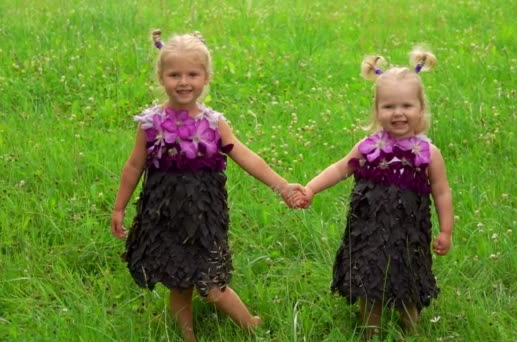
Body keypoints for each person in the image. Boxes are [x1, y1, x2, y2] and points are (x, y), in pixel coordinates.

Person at [110, 29, 304, 342]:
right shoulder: (151, 124)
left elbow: (245, 156)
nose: (183, 82)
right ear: (161, 77)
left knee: (213, 286)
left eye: (192, 74)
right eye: (174, 74)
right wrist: (119, 206)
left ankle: (251, 326)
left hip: (203, 219)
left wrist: (282, 186)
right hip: (165, 217)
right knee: (179, 282)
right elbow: (134, 166)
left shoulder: (213, 123)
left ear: (205, 77)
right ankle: (188, 337)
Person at [292, 47, 454, 335]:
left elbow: (441, 192)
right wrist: (312, 188)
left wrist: (446, 231)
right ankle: (371, 330)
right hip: (368, 231)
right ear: (377, 110)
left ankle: (409, 329)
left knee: (408, 279)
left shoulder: (429, 154)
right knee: (369, 278)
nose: (398, 113)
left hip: (408, 233)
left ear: (421, 108)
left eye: (407, 106)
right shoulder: (369, 148)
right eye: (389, 106)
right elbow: (340, 168)